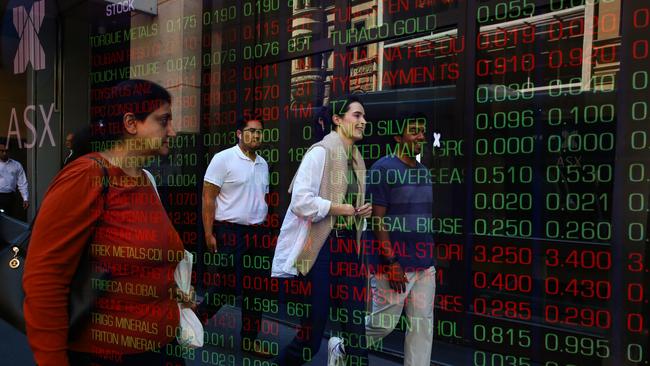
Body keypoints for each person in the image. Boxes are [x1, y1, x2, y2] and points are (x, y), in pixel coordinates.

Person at [23, 79, 189, 366]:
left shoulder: (144, 179)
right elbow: (44, 280)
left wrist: (171, 292)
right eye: (163, 121)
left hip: (160, 349)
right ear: (131, 123)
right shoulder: (86, 176)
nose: (172, 131)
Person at [272, 95, 372, 365]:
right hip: (321, 250)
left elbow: (351, 205)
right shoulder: (321, 151)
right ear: (337, 120)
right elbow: (300, 202)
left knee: (356, 332)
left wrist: (362, 211)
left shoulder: (357, 160)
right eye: (357, 115)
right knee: (311, 336)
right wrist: (339, 208)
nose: (363, 121)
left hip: (349, 248)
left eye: (363, 116)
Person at [365, 113, 436, 366]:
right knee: (383, 325)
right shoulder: (382, 169)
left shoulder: (425, 172)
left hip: (424, 265)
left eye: (422, 131)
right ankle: (344, 345)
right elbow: (377, 220)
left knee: (422, 327)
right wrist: (392, 262)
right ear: (398, 137)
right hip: (393, 265)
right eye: (414, 131)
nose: (420, 136)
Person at [198, 116, 271, 357]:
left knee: (256, 289)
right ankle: (195, 321)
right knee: (226, 287)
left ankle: (249, 341)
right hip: (230, 232)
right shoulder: (223, 159)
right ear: (239, 133)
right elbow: (208, 198)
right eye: (252, 131)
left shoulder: (263, 164)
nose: (257, 136)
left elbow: (260, 198)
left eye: (260, 132)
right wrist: (209, 233)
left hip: (257, 234)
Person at [0, 142, 29, 216]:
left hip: (10, 197)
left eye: (6, 151)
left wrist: (25, 198)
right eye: (2, 151)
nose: (4, 153)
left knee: (9, 219)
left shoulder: (16, 165)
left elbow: (22, 182)